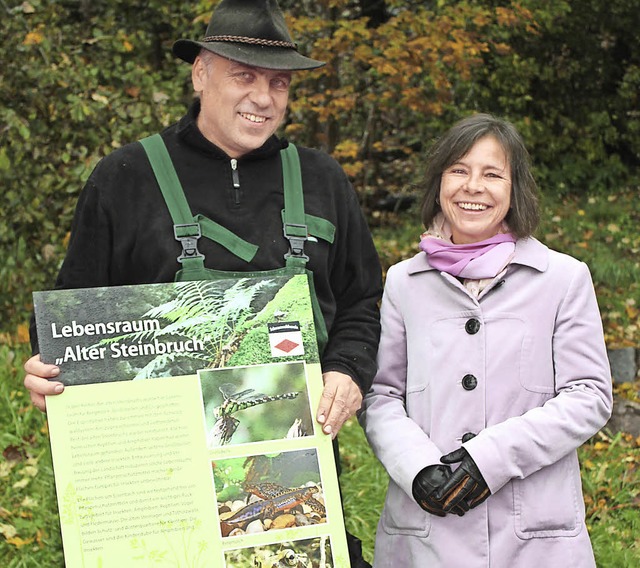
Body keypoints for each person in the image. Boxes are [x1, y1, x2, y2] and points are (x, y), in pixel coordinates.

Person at [23, 1, 381, 565]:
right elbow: (70, 317)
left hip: (285, 460)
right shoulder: (125, 178)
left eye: (279, 83)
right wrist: (47, 368)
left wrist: (348, 367)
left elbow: (362, 297)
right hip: (155, 473)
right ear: (200, 74)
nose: (263, 98)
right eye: (243, 76)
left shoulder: (323, 179)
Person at [359, 113, 612, 567]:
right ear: (439, 182)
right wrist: (418, 470)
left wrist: (486, 460)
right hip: (426, 538)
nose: (473, 186)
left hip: (535, 539)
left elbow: (589, 395)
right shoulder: (403, 282)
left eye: (492, 174)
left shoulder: (563, 278)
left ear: (515, 189)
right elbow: (381, 395)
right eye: (459, 170)